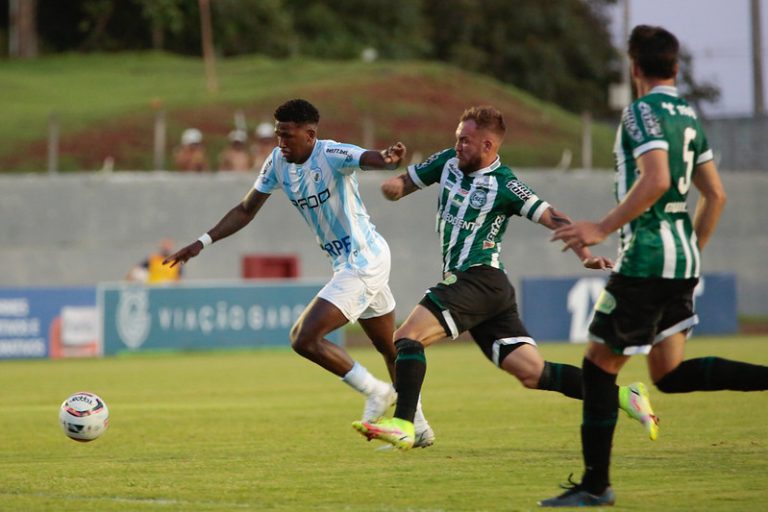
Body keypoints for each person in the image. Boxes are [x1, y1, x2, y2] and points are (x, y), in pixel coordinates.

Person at [540, 25, 768, 507]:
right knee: (666, 372)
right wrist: (691, 253)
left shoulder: (641, 111)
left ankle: (596, 485)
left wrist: (601, 227)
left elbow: (658, 178)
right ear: (676, 67)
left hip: (645, 260)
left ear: (635, 67)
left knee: (599, 368)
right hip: (681, 260)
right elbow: (716, 194)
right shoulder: (687, 113)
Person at [352, 105, 655, 451]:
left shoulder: (505, 185)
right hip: (489, 293)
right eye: (457, 138)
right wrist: (392, 184)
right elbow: (404, 183)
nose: (458, 146)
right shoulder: (448, 162)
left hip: (479, 279)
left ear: (488, 146)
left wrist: (585, 254)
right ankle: (623, 396)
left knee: (407, 337)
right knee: (533, 373)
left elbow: (552, 216)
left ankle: (406, 425)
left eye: (466, 141)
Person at [164, 98, 435, 447]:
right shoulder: (278, 161)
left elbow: (366, 158)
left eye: (288, 136)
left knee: (303, 338)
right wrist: (202, 241)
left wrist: (385, 158)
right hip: (348, 262)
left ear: (310, 134)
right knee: (388, 346)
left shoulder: (331, 153)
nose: (281, 143)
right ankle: (421, 427)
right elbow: (246, 209)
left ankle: (376, 391)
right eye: (278, 135)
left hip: (364, 260)